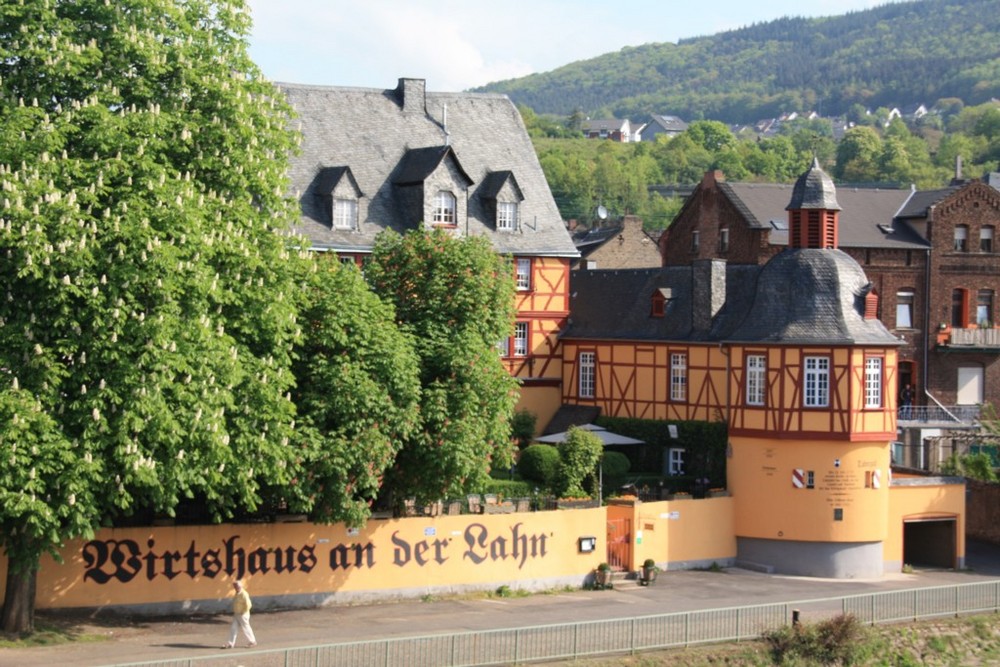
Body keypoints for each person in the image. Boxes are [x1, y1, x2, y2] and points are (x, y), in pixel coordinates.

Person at [223, 580, 257, 649]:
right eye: (234, 586)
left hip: (242, 614)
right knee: (233, 628)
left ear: (240, 586)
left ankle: (252, 641)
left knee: (246, 627)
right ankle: (230, 643)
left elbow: (249, 605)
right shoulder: (237, 593)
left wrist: (243, 611)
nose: (235, 587)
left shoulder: (244, 594)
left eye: (236, 586)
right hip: (237, 614)